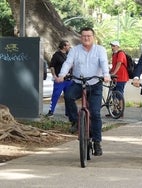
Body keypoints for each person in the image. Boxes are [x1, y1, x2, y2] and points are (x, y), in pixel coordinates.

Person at [55, 27, 110, 156]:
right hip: (78, 83)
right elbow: (68, 63)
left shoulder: (100, 50)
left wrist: (106, 75)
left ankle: (97, 142)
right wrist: (62, 75)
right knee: (68, 96)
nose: (86, 38)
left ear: (93, 37)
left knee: (95, 113)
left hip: (95, 84)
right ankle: (75, 121)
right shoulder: (75, 50)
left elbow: (103, 63)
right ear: (80, 37)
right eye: (84, 36)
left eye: (89, 36)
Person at [46, 40, 72, 117]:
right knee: (56, 95)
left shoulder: (69, 55)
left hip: (69, 79)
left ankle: (68, 112)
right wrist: (54, 76)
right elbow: (52, 66)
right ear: (64, 46)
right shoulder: (56, 55)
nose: (69, 47)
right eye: (68, 45)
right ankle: (51, 111)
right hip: (59, 79)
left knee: (69, 96)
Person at [106, 41, 129, 117]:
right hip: (115, 78)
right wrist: (108, 72)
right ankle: (114, 111)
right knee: (113, 94)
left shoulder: (120, 53)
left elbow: (119, 63)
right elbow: (114, 66)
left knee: (119, 94)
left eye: (113, 46)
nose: (112, 47)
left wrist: (114, 73)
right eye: (111, 46)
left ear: (117, 46)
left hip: (121, 77)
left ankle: (120, 111)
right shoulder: (114, 55)